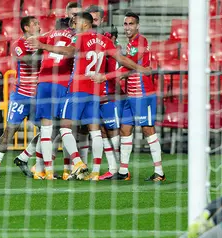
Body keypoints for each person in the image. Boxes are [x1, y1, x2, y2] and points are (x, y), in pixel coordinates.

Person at [28, 12, 151, 181]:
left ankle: (77, 162)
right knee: (95, 132)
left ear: (84, 24)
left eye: (76, 22)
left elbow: (70, 51)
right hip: (95, 92)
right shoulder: (105, 40)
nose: (73, 25)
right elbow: (122, 59)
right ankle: (94, 172)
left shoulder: (79, 38)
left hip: (78, 90)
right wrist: (139, 67)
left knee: (64, 127)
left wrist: (44, 46)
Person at [92, 12, 165, 182]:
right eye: (125, 24)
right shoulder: (131, 44)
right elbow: (129, 69)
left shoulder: (140, 41)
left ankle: (159, 171)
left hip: (142, 93)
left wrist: (107, 76)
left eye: (131, 24)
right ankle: (123, 171)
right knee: (125, 130)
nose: (127, 27)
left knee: (148, 129)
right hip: (129, 95)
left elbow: (129, 64)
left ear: (137, 26)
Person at [0, 16, 41, 178]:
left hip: (38, 96)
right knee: (10, 131)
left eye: (39, 23)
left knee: (48, 131)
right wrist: (43, 47)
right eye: (35, 24)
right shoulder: (18, 45)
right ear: (26, 28)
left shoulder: (43, 42)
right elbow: (30, 62)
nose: (39, 26)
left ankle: (24, 157)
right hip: (21, 95)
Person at [32, 18, 76, 180]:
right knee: (65, 128)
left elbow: (31, 41)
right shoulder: (74, 35)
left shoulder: (49, 34)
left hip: (43, 82)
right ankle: (69, 168)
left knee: (46, 129)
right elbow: (72, 52)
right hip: (62, 84)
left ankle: (44, 170)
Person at [86, 5, 122, 180]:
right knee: (100, 130)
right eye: (90, 19)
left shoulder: (110, 44)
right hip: (95, 94)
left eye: (96, 19)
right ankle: (111, 168)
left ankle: (120, 169)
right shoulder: (88, 41)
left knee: (112, 130)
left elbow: (117, 72)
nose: (93, 22)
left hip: (109, 95)